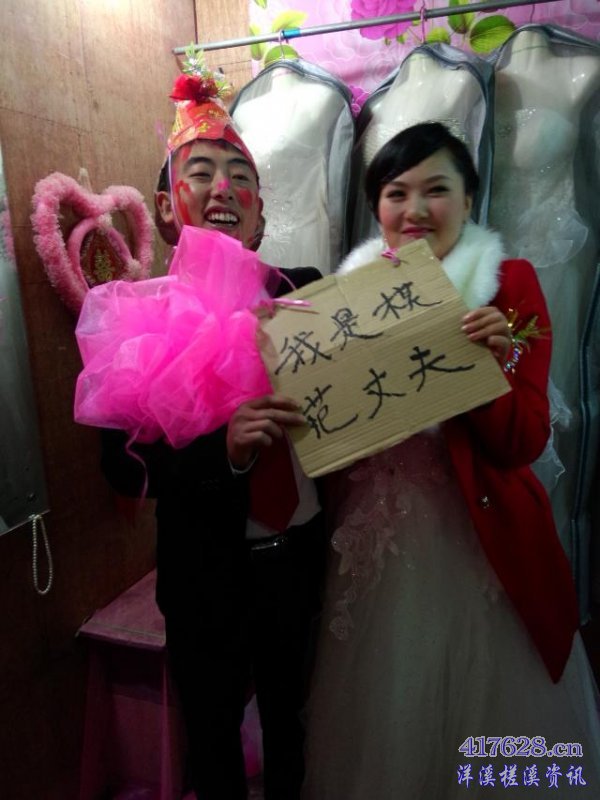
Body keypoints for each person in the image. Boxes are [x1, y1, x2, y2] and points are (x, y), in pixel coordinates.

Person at [301, 122, 600, 799]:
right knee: (385, 727)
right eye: (395, 192)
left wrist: (484, 366)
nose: (414, 209)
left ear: (469, 199)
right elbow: (332, 444)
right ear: (376, 207)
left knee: (490, 730)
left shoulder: (507, 286)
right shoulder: (343, 306)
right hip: (378, 548)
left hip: (480, 551)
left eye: (436, 190)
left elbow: (524, 440)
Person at [98, 61, 327, 800]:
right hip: (204, 575)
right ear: (169, 207)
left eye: (241, 178)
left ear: (261, 214)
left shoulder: (308, 293)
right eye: (202, 173)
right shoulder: (137, 317)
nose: (224, 188)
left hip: (303, 559)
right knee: (214, 743)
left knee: (296, 728)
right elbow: (122, 468)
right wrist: (221, 454)